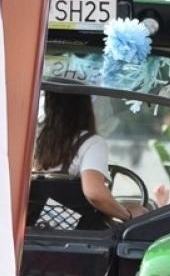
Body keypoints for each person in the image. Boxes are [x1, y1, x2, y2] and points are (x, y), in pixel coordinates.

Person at [34, 92, 148, 225]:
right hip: (74, 234)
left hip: (33, 226)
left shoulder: (34, 138)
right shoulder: (92, 143)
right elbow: (95, 193)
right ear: (86, 107)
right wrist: (127, 215)